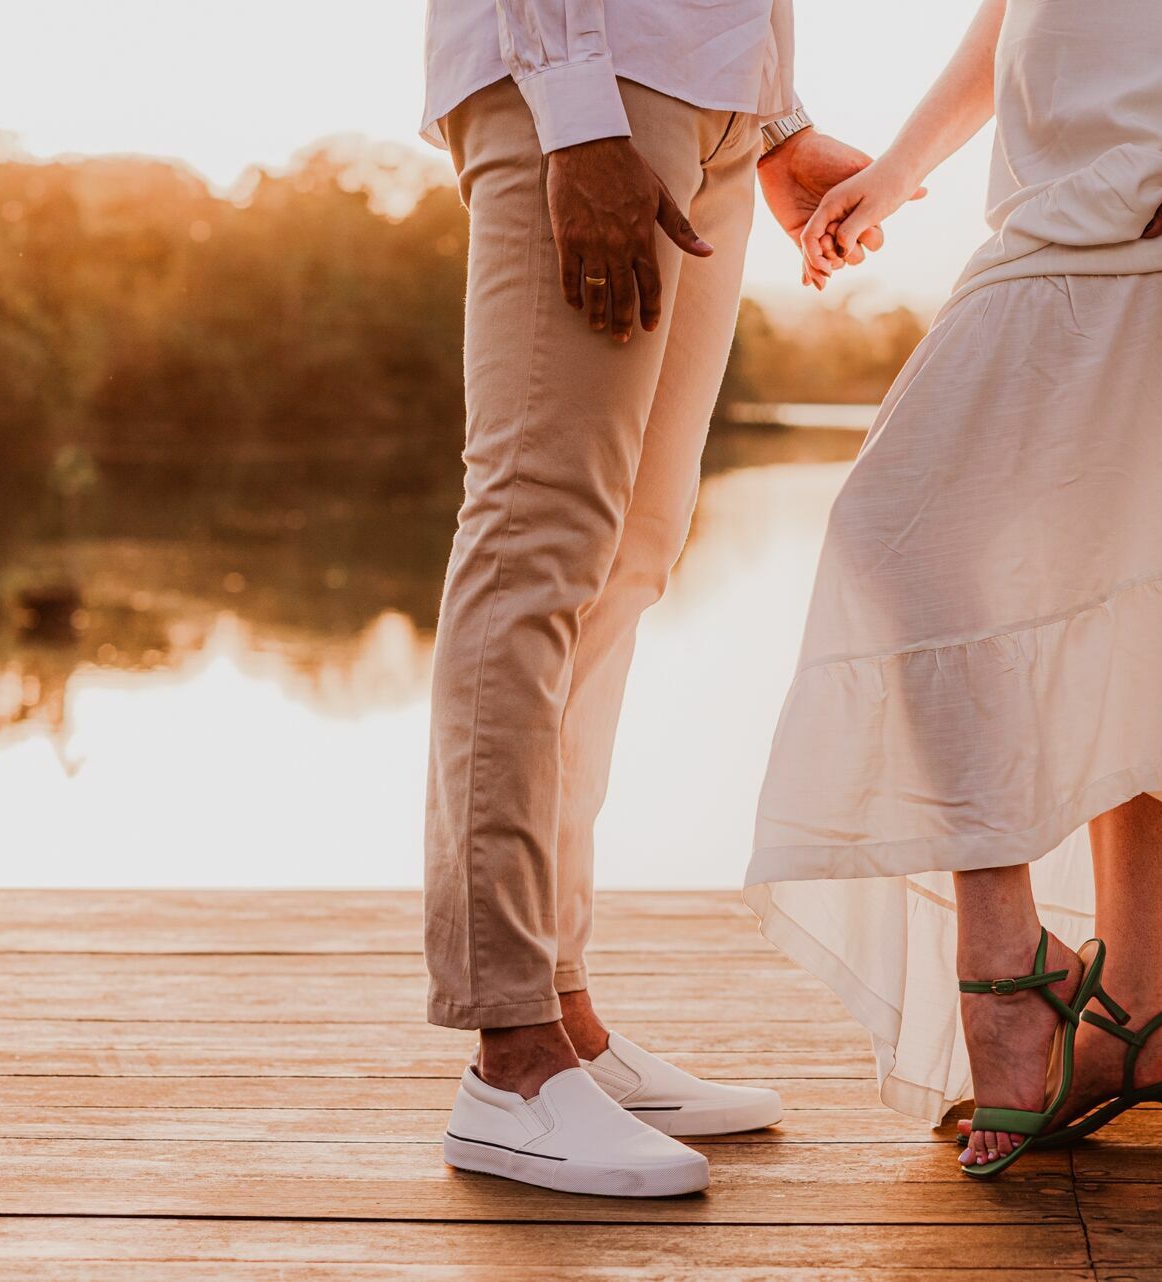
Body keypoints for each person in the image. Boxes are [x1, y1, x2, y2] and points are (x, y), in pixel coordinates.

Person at [744, 0, 1162, 1185]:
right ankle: (1130, 1012)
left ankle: (1025, 978)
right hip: (1055, 193)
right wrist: (897, 169)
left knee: (1082, 577)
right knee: (1082, 581)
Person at [416, 0, 894, 1197]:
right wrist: (576, 117)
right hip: (584, 78)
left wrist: (772, 118)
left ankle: (566, 1017)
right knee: (535, 541)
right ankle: (511, 1058)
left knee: (626, 559)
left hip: (703, 100)